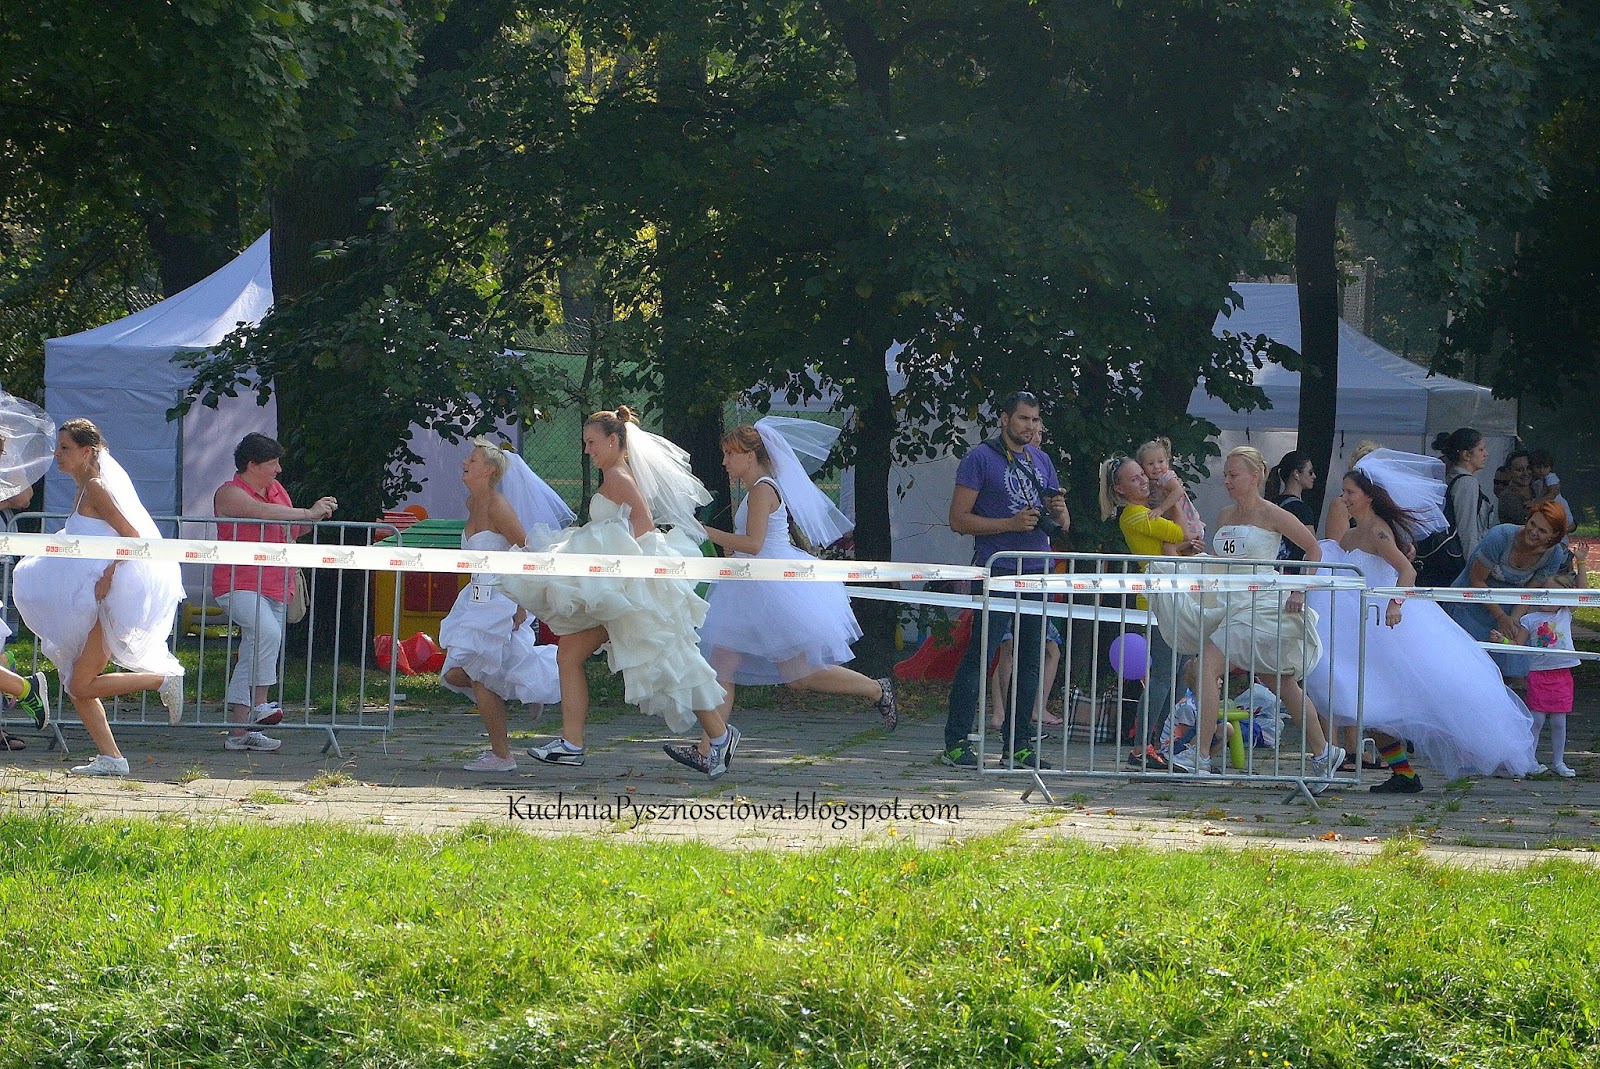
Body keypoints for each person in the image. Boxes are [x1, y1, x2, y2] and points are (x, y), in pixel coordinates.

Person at [499, 407, 735, 776]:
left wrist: (624, 571)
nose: (587, 450)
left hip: (627, 588)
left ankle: (719, 737)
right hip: (616, 590)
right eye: (585, 443)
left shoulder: (620, 477)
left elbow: (642, 524)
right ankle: (571, 744)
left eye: (592, 443)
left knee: (668, 661)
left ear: (613, 440)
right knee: (570, 655)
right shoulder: (613, 475)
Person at [1307, 468, 1538, 792]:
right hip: (1368, 626)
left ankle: (1414, 769)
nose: (1344, 498)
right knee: (1372, 706)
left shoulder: (1377, 532)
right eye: (1344, 492)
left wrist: (1395, 605)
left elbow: (1406, 571)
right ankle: (1404, 774)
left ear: (1368, 496)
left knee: (1409, 695)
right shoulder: (1355, 533)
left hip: (1391, 625)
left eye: (1350, 493)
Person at [693, 421, 896, 760]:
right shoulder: (754, 490)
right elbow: (749, 545)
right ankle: (710, 748)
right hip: (753, 588)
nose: (725, 462)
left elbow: (755, 544)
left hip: (774, 590)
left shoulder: (761, 489)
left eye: (730, 454)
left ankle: (877, 688)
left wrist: (706, 532)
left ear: (750, 455)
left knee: (799, 676)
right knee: (723, 662)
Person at [1146, 446, 1343, 778]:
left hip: (1263, 603)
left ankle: (1201, 754)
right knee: (1280, 681)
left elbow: (1313, 548)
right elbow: (1222, 565)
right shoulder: (1224, 516)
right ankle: (1325, 751)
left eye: (1233, 475)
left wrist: (1299, 589)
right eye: (1225, 474)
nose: (1227, 481)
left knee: (1210, 664)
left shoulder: (1272, 513)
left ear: (1255, 476)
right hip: (1233, 604)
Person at [11, 419, 184, 776]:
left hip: (106, 599)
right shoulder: (83, 488)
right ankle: (112, 758)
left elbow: (133, 536)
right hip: (89, 599)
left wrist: (109, 573)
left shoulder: (96, 488)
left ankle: (162, 679)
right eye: (58, 448)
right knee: (76, 683)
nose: (57, 455)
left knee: (80, 683)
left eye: (65, 449)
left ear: (87, 451)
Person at [940, 390, 1070, 770]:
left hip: (1037, 570)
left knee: (1031, 658)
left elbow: (1062, 526)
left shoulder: (1042, 460)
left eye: (1035, 420)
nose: (1029, 427)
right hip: (997, 569)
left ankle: (1019, 744)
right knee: (982, 655)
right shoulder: (980, 458)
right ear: (1004, 419)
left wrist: (1060, 512)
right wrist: (1009, 525)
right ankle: (957, 741)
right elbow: (958, 519)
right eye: (1023, 419)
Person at [445, 437, 572, 773]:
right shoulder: (473, 504)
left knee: (478, 675)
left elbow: (526, 554)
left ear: (488, 470)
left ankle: (501, 755)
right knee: (456, 674)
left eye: (472, 460)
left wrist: (519, 604)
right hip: (475, 600)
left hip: (501, 600)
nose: (464, 464)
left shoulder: (499, 506)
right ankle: (531, 688)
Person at [211, 433, 338, 752]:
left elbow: (292, 527)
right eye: (272, 463)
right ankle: (261, 704)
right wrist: (307, 512)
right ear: (252, 465)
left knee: (261, 644)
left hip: (276, 583)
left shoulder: (277, 490)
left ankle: (240, 733)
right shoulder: (229, 493)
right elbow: (262, 513)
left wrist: (314, 517)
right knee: (265, 634)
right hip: (237, 582)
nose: (279, 469)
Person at [1098, 455, 1203, 770]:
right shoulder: (1133, 514)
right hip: (1158, 600)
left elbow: (1179, 542)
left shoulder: (1146, 512)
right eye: (1134, 479)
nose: (1144, 480)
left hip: (1177, 595)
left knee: (1177, 674)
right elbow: (1182, 534)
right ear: (1119, 489)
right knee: (1161, 675)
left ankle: (1160, 742)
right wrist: (1173, 497)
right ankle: (1141, 746)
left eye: (1143, 474)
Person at [1445, 502, 1574, 683]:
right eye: (1532, 524)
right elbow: (1476, 580)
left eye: (1542, 531)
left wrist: (1513, 620)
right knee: (1463, 668)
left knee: (1502, 672)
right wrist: (1501, 617)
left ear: (1553, 536)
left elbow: (1530, 592)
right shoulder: (1500, 536)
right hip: (1471, 605)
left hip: (1509, 610)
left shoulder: (1554, 555)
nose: (1534, 532)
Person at [1494, 549, 1587, 778]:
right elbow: (1519, 644)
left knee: (1559, 721)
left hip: (1562, 674)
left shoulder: (1565, 614)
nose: (1547, 599)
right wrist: (1503, 640)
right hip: (1539, 675)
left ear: (1563, 598)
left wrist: (1582, 562)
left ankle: (1559, 761)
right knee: (1536, 719)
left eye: (1554, 595)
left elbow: (1583, 592)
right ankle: (1530, 760)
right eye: (1544, 594)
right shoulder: (1529, 619)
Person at [0, 395, 58, 749]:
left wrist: (7, 457)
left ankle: (20, 687)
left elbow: (23, 498)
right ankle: (20, 686)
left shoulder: (8, 461)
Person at [1433, 427, 1496, 561]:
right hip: (1459, 559)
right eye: (1481, 449)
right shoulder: (1467, 483)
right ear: (1466, 455)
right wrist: (1472, 568)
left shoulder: (1450, 477)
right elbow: (1467, 530)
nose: (1486, 454)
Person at [1138, 437, 1204, 541]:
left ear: (1167, 462)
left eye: (1160, 461)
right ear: (1142, 466)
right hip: (1176, 523)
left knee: (1169, 547)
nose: (1156, 466)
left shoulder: (1166, 477)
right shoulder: (1149, 482)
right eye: (1150, 464)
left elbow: (1178, 491)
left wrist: (1161, 509)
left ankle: (1194, 544)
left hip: (1190, 524)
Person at [1266, 450, 1317, 560]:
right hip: (1291, 571)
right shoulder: (1302, 510)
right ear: (1296, 474)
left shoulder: (1270, 503)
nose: (1314, 476)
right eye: (1310, 472)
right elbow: (1313, 548)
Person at [1526, 448, 1574, 532]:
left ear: (1550, 467)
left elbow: (1552, 494)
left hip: (1558, 505)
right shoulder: (1533, 479)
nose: (1542, 470)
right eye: (1538, 467)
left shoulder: (1550, 477)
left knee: (1564, 526)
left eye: (1545, 467)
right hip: (1547, 508)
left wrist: (1536, 503)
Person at [1495, 451, 1532, 527]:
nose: (1525, 473)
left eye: (1528, 468)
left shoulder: (1539, 489)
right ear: (1509, 472)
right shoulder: (1506, 497)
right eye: (1519, 470)